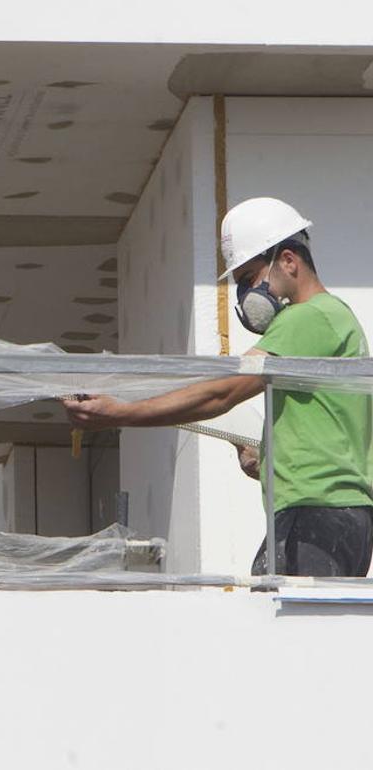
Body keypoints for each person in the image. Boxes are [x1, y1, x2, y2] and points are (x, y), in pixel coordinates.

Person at [62, 197, 373, 576]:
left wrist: (120, 413)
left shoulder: (307, 318)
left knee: (278, 625)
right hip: (338, 516)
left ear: (288, 261)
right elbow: (332, 430)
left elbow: (221, 393)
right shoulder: (336, 320)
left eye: (248, 279)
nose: (245, 296)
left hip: (315, 514)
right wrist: (268, 462)